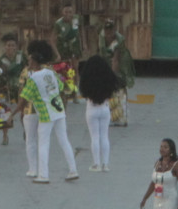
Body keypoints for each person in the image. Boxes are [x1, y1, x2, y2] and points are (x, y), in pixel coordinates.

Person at [23, 39, 80, 183]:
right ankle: (73, 170)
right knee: (64, 140)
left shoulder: (32, 76)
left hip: (45, 113)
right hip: (59, 111)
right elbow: (61, 87)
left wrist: (13, 114)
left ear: (34, 61)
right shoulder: (51, 72)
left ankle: (43, 175)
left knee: (43, 143)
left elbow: (25, 96)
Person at [80, 53, 119, 173]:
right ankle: (105, 164)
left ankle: (96, 163)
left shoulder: (87, 79)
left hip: (91, 108)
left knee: (94, 137)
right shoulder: (108, 78)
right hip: (105, 108)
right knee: (104, 136)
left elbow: (83, 93)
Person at [140, 138, 178, 209]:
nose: (162, 149)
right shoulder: (157, 163)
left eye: (165, 147)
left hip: (171, 199)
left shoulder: (176, 166)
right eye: (161, 146)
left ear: (171, 150)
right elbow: (154, 183)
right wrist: (145, 198)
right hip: (158, 198)